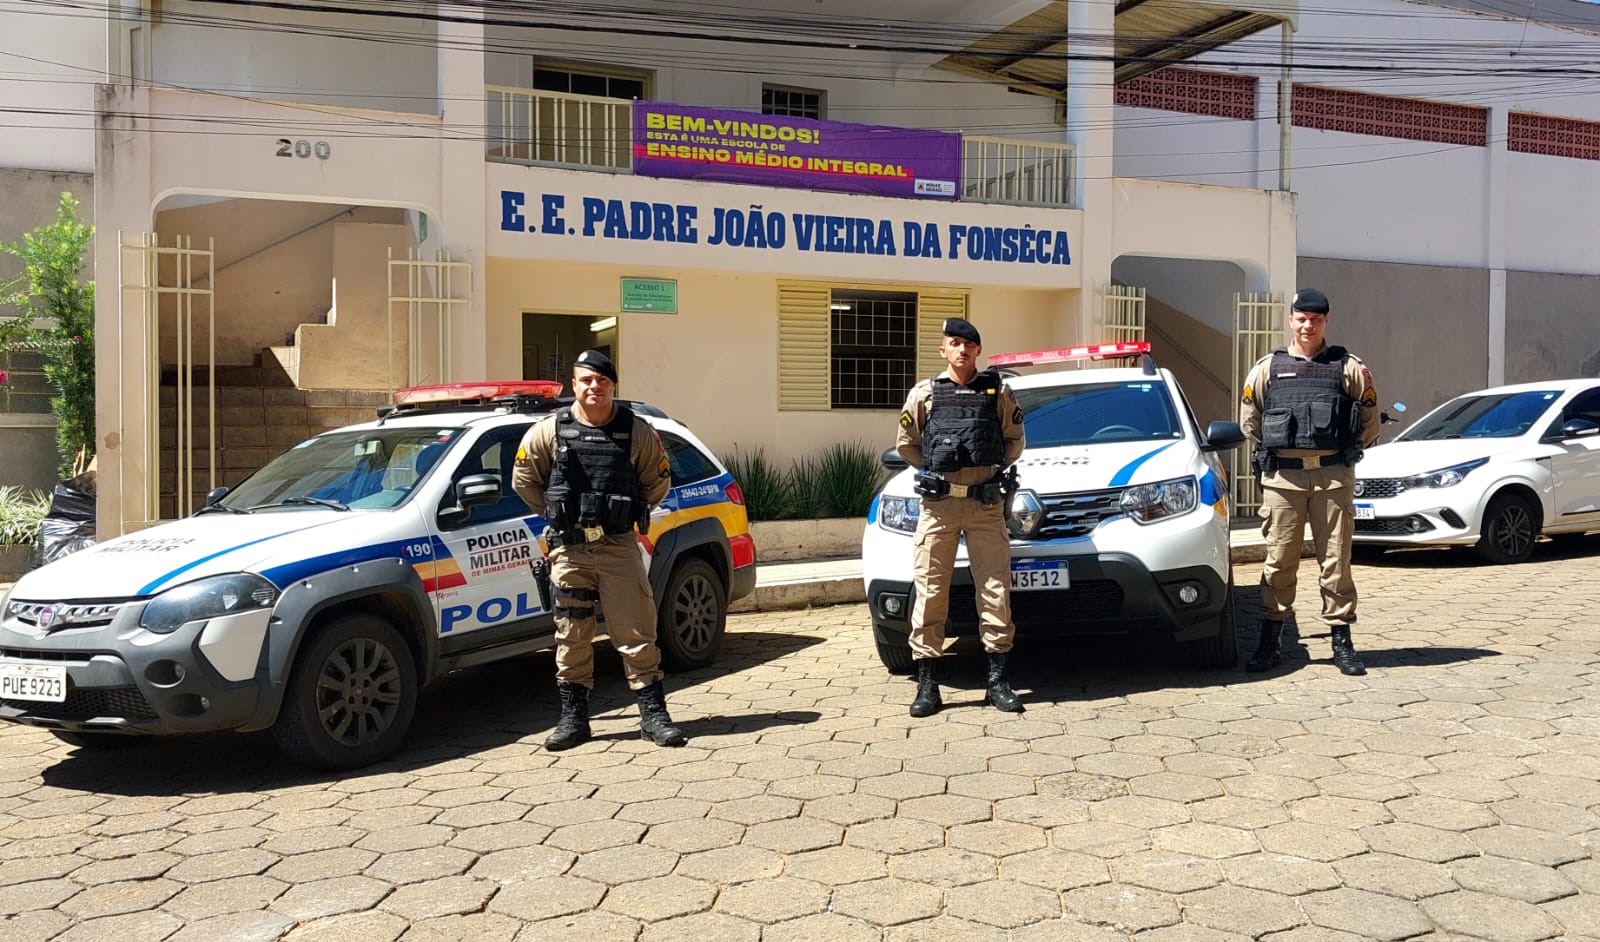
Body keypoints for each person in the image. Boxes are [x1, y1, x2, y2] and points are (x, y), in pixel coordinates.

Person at [512, 349, 687, 750]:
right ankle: (574, 720)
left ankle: (653, 717)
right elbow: (524, 479)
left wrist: (622, 512)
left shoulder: (636, 431)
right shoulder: (549, 430)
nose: (594, 387)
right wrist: (557, 513)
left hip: (618, 547)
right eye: (586, 380)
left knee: (637, 632)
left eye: (602, 381)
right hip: (569, 550)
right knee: (571, 635)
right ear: (574, 385)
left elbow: (657, 482)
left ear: (612, 385)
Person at [1239, 288, 1380, 676]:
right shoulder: (1268, 367)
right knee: (1279, 560)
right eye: (1301, 318)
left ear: (1325, 322)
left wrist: (1344, 452)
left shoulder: (1348, 367)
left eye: (1315, 319)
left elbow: (1370, 421)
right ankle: (1271, 641)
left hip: (1333, 478)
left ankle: (1341, 640)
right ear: (1291, 319)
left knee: (1336, 559)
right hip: (1283, 479)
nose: (1308, 325)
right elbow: (1249, 419)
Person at [895, 317, 1027, 717]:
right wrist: (935, 472)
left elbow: (1014, 441)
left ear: (978, 351)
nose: (962, 350)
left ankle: (998, 682)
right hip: (939, 508)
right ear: (944, 351)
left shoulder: (998, 390)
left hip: (985, 506)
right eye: (954, 343)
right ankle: (928, 686)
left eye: (969, 344)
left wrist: (988, 472)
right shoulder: (925, 394)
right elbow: (906, 444)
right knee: (932, 591)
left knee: (994, 591)